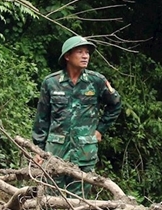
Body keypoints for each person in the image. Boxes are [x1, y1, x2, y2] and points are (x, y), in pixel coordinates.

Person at [32, 36, 123, 195]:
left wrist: (100, 130)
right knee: (50, 198)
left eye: (87, 52)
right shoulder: (51, 82)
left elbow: (115, 104)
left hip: (84, 151)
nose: (85, 56)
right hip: (55, 151)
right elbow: (42, 118)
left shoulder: (96, 81)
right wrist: (38, 149)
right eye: (80, 52)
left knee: (80, 200)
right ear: (67, 56)